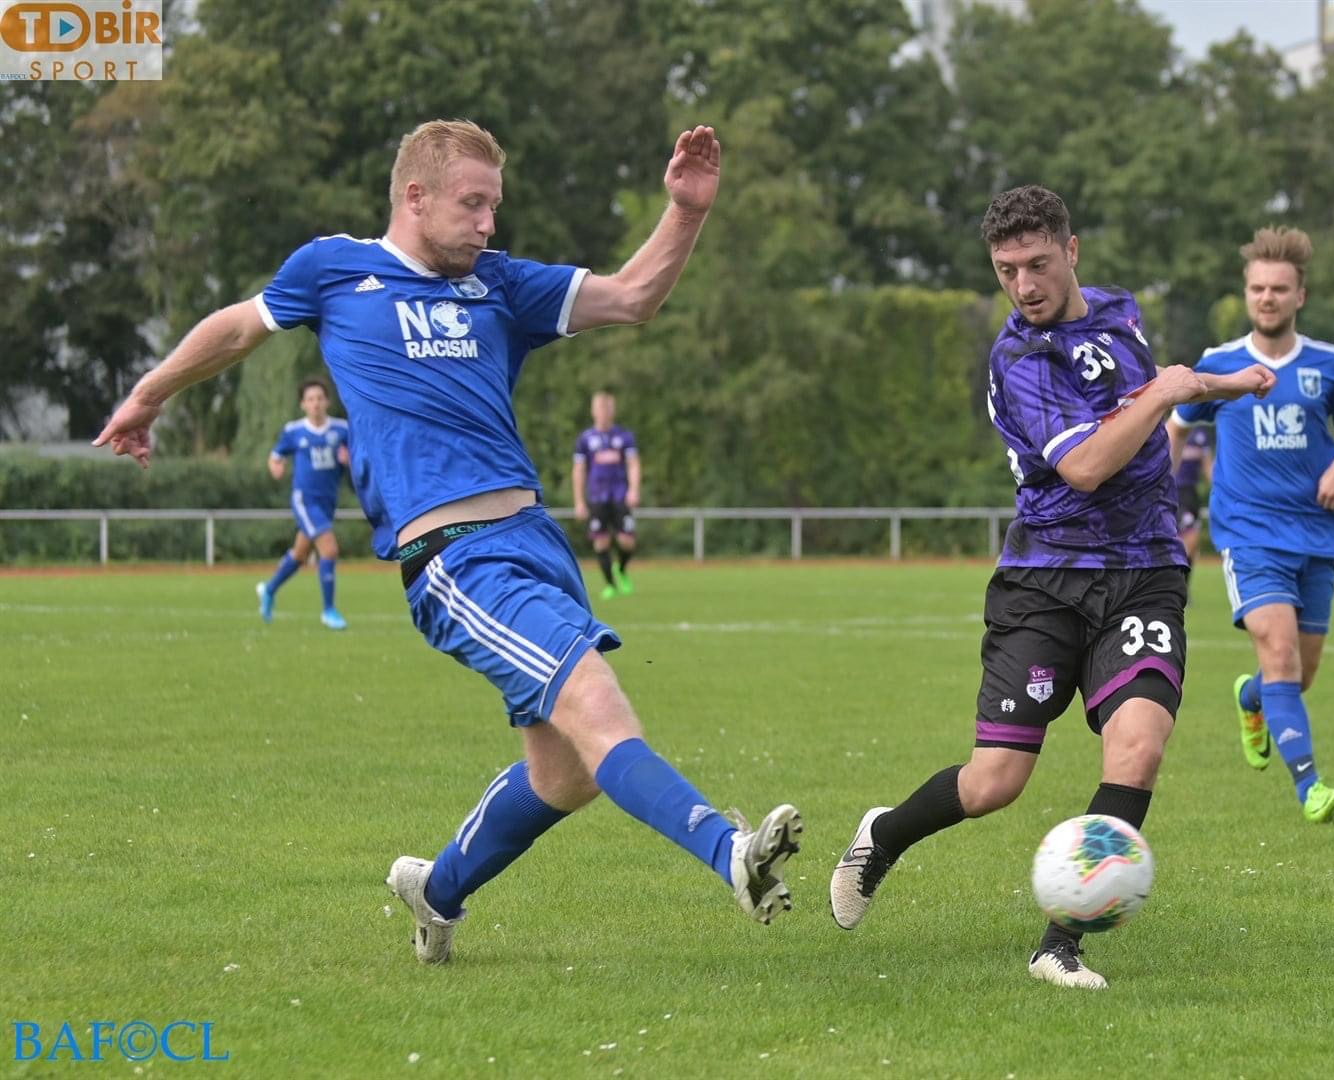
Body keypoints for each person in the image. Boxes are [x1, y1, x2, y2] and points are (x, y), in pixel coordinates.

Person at [95, 120, 803, 963]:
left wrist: (685, 210)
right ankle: (730, 853)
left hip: (536, 541)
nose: (488, 224)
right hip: (455, 559)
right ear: (415, 196)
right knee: (596, 700)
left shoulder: (499, 284)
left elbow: (632, 297)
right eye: (473, 204)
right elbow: (239, 327)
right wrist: (148, 393)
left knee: (565, 773)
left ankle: (435, 891)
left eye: (494, 206)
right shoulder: (333, 269)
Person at [828, 185, 1274, 989]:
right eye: (1006, 270)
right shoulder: (1020, 362)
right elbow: (1087, 464)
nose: (1024, 284)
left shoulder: (1116, 310)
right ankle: (884, 835)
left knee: (1137, 747)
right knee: (995, 782)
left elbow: (1152, 388)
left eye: (1037, 264)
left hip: (1145, 573)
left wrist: (1221, 386)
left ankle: (1058, 944)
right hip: (1044, 580)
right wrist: (1176, 392)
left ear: (1071, 252)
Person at [1167, 226, 1334, 824]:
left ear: (1300, 296)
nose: (1267, 297)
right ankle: (1311, 787)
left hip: (1317, 533)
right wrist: (1156, 490)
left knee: (1297, 675)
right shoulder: (1220, 365)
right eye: (1258, 287)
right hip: (1247, 534)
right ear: (1246, 293)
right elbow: (1176, 425)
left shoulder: (1329, 365)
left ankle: (1250, 695)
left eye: (1279, 288)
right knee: (1281, 653)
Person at [257, 378, 351, 629]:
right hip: (304, 499)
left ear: (328, 401)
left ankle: (269, 589)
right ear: (303, 404)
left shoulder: (342, 430)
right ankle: (329, 611)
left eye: (320, 398)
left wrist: (348, 460)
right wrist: (276, 467)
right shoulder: (294, 431)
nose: (316, 403)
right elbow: (275, 456)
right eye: (310, 399)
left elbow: (357, 460)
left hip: (327, 501)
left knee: (300, 554)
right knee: (329, 550)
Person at [572, 391, 640, 599]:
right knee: (601, 541)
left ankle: (621, 569)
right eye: (599, 408)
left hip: (620, 495)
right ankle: (610, 584)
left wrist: (634, 489)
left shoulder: (624, 437)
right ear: (593, 411)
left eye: (607, 408)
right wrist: (579, 501)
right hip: (597, 497)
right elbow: (579, 469)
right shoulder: (585, 439)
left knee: (627, 540)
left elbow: (633, 464)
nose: (603, 412)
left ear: (613, 411)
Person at [1172, 422, 1212, 579]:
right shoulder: (1171, 428)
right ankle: (1178, 584)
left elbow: (1208, 468)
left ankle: (1183, 586)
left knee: (1192, 546)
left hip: (1192, 494)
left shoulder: (1200, 434)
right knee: (1189, 540)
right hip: (1175, 492)